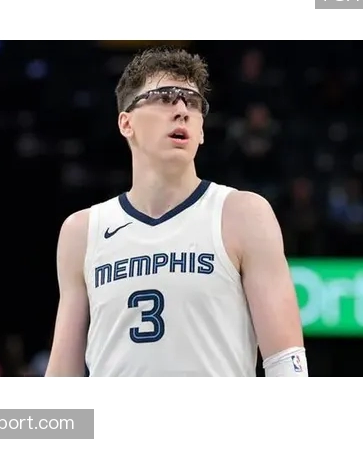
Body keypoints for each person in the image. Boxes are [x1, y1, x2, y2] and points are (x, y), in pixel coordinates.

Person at [45, 47, 307, 377]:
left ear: (201, 130)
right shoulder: (82, 231)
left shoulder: (242, 214)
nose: (182, 110)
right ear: (126, 123)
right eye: (165, 97)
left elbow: (286, 362)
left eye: (192, 102)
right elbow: (63, 374)